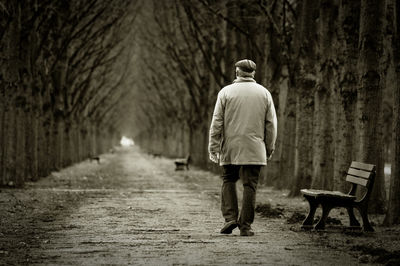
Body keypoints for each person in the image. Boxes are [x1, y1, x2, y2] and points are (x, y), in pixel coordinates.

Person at [208, 59, 277, 236]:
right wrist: (269, 148)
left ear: (237, 72)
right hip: (255, 147)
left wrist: (214, 146)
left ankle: (230, 218)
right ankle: (246, 226)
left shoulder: (225, 92)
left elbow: (217, 122)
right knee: (250, 185)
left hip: (231, 146)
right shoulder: (264, 93)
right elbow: (271, 124)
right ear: (253, 73)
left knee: (229, 179)